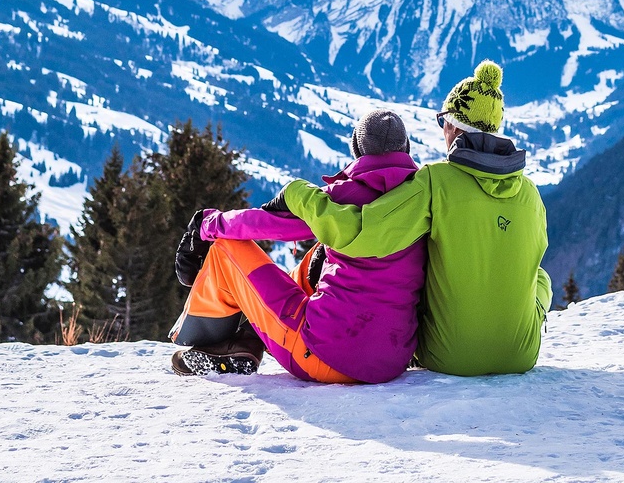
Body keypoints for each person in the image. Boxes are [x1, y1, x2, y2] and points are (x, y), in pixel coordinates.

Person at [279, 60, 551, 376]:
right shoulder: (531, 194)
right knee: (540, 276)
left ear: (454, 126)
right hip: (521, 355)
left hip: (450, 356)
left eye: (443, 123)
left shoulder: (435, 181)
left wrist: (299, 194)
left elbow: (363, 233)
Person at [168, 109, 426, 384]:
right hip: (390, 361)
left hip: (321, 356)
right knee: (318, 255)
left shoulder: (340, 199)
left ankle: (210, 342)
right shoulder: (425, 202)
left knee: (225, 250)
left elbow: (264, 224)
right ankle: (248, 340)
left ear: (358, 149)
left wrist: (207, 224)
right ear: (406, 148)